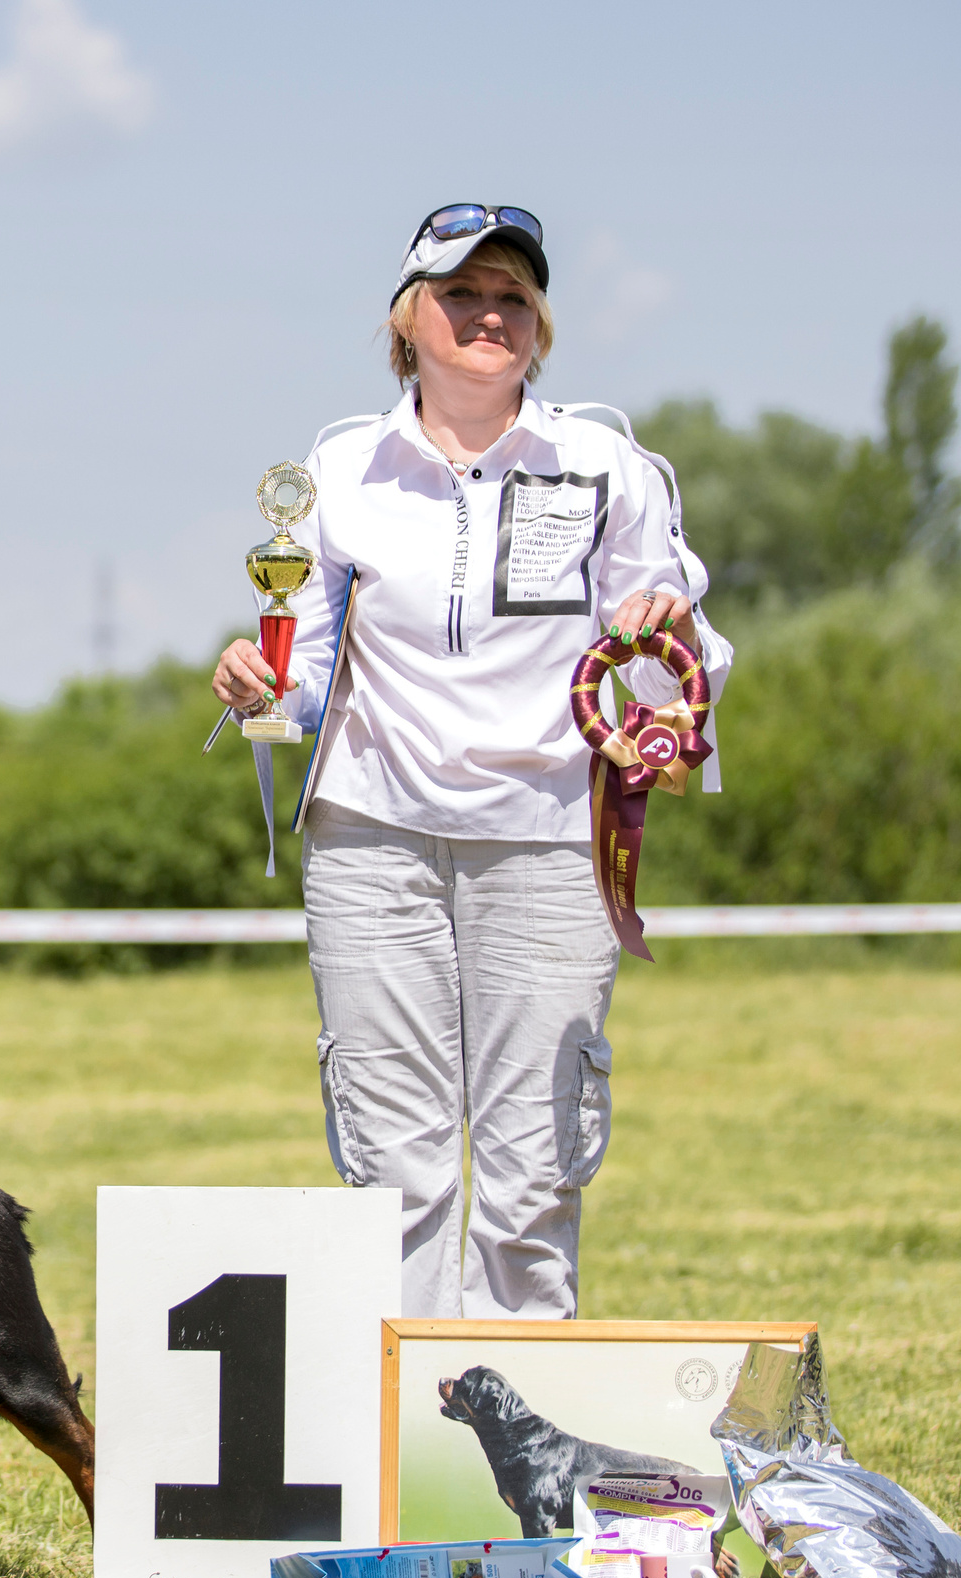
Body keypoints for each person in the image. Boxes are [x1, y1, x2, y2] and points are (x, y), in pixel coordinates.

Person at [211, 203, 734, 1321]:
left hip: (548, 846)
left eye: (512, 298)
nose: (488, 315)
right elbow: (301, 652)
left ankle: (507, 1466)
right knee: (389, 1168)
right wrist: (263, 683)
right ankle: (402, 1447)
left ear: (539, 329)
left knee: (531, 1171)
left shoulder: (607, 463)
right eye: (461, 295)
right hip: (369, 843)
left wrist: (670, 639)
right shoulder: (341, 467)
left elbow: (671, 666)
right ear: (409, 322)